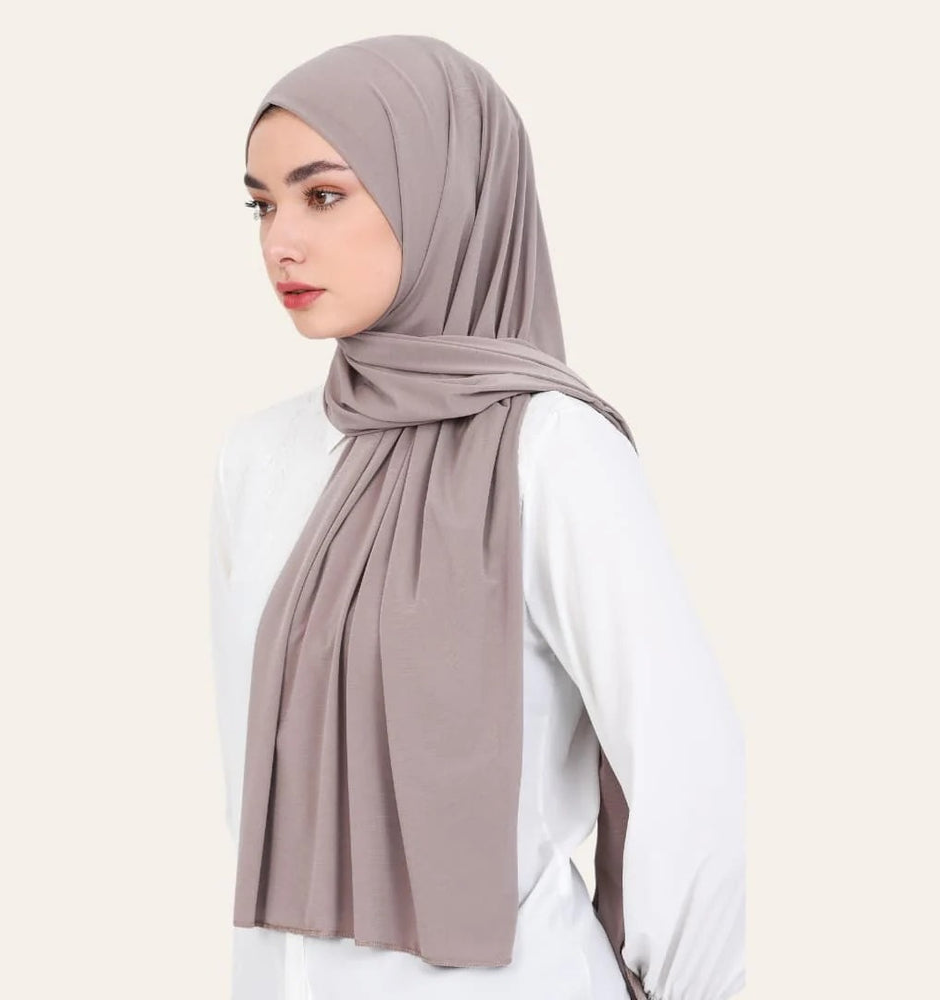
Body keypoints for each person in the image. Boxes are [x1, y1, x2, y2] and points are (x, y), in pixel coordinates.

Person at [209, 34, 746, 1000]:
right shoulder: (259, 457)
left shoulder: (554, 449)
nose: (279, 241)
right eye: (262, 204)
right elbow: (252, 792)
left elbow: (689, 782)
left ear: (445, 192)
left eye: (322, 196)